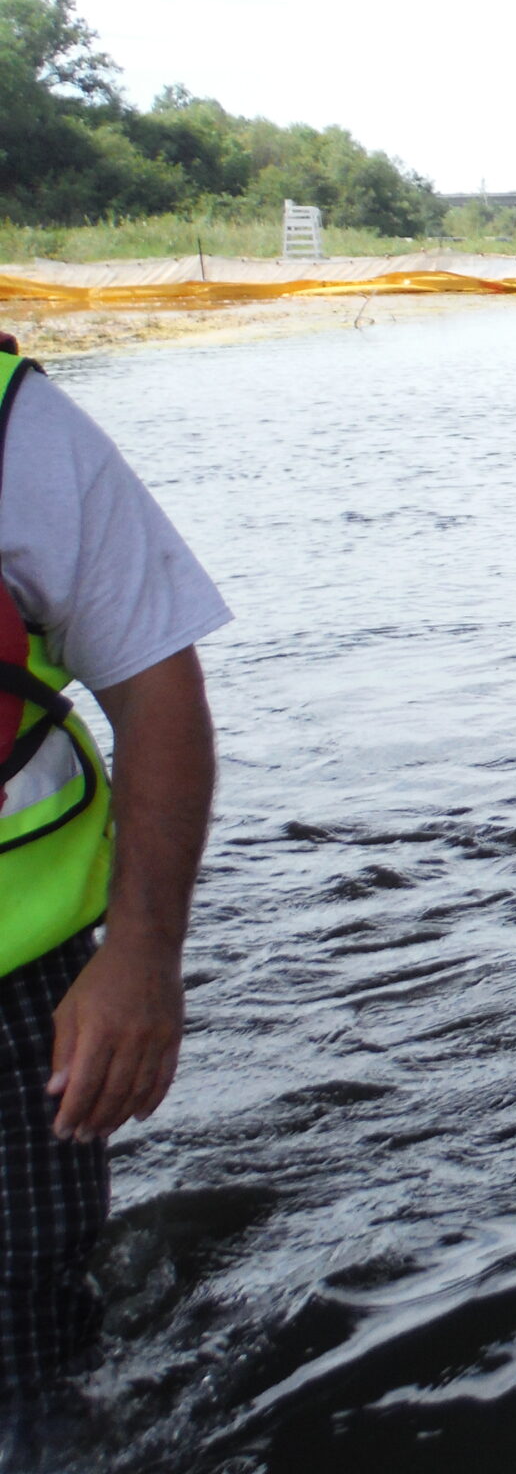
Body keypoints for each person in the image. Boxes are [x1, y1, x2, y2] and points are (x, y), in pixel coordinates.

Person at [0, 339, 225, 1435]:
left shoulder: (17, 428)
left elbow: (155, 684)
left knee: (27, 1350)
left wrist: (141, 958)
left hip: (15, 1004)